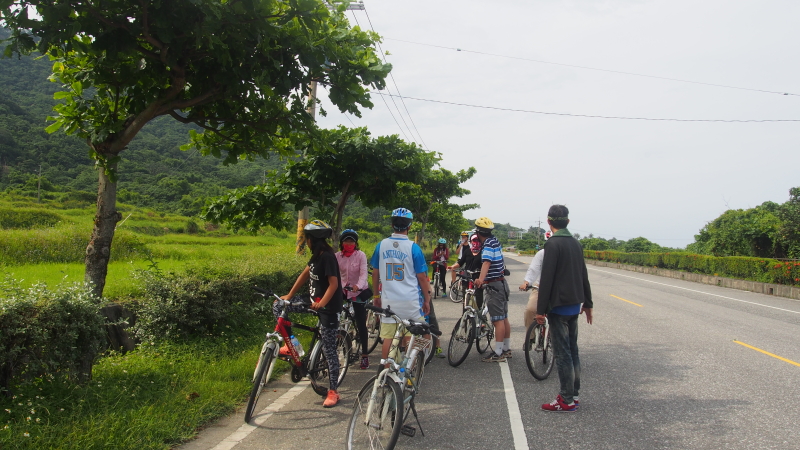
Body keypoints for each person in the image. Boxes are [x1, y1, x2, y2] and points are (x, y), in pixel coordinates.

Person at [536, 205, 593, 412]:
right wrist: (588, 303)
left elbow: (547, 279)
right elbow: (583, 274)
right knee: (573, 351)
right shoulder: (576, 244)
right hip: (574, 306)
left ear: (549, 222)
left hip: (558, 307)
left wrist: (540, 310)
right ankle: (574, 395)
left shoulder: (552, 244)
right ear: (568, 221)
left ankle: (566, 400)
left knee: (562, 355)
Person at [281, 219, 344, 408]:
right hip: (312, 301)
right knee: (279, 306)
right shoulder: (316, 256)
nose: (305, 241)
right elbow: (305, 274)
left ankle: (333, 391)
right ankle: (293, 345)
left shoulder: (327, 257)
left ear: (312, 240)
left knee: (329, 350)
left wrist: (322, 304)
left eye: (306, 238)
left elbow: (334, 285)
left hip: (328, 307)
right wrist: (290, 295)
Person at [370, 208, 431, 366]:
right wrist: (427, 300)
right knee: (411, 337)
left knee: (388, 338)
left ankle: (386, 373)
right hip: (410, 300)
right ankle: (408, 374)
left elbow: (375, 274)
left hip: (389, 301)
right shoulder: (413, 248)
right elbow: (422, 278)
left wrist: (376, 296)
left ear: (392, 224)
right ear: (409, 226)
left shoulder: (381, 245)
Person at [473, 217, 512, 362]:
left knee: (497, 321)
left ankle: (498, 353)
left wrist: (481, 280)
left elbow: (486, 263)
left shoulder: (488, 244)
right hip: (501, 283)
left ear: (478, 232)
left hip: (494, 285)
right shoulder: (494, 240)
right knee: (504, 318)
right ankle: (506, 349)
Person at [335, 229, 371, 370]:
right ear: (342, 243)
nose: (349, 244)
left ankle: (365, 356)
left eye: (351, 241)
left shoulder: (360, 255)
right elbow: (335, 274)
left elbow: (363, 274)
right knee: (334, 317)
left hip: (358, 291)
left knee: (361, 323)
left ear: (356, 243)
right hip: (343, 290)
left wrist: (358, 286)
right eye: (346, 241)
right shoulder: (337, 256)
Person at [519, 231, 552, 329]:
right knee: (530, 310)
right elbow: (534, 269)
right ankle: (530, 338)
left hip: (557, 289)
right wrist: (526, 282)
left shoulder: (564, 253)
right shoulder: (542, 254)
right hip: (540, 288)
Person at [448, 233, 483, 308]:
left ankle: (480, 314)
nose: (475, 242)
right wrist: (453, 267)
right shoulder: (468, 251)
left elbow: (486, 264)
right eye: (474, 240)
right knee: (465, 298)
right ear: (471, 241)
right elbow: (460, 263)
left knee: (478, 296)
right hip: (467, 276)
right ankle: (465, 315)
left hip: (478, 277)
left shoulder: (483, 252)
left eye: (477, 240)